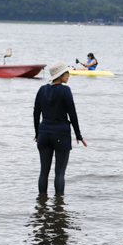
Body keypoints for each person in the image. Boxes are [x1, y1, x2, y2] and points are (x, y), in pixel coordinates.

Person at [33, 61, 87, 194]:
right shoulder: (65, 90)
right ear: (60, 75)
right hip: (61, 134)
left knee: (43, 172)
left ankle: (42, 204)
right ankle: (59, 207)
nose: (69, 75)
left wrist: (37, 133)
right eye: (67, 73)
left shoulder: (41, 90)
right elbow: (72, 115)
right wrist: (78, 135)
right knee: (59, 173)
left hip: (44, 134)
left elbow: (36, 114)